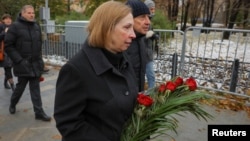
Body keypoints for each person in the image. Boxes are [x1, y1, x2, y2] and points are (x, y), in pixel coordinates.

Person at [54, 1, 138, 141]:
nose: (133, 35)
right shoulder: (75, 69)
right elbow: (68, 124)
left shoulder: (123, 59)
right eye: (127, 27)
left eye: (133, 28)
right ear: (106, 29)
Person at [4, 5, 51, 121]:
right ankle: (13, 103)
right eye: (29, 13)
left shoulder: (36, 25)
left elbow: (39, 45)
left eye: (33, 13)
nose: (32, 15)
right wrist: (19, 60)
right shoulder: (15, 27)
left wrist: (40, 62)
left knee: (35, 89)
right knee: (20, 88)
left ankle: (39, 112)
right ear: (23, 13)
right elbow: (8, 46)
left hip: (35, 64)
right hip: (22, 64)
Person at [125, 0, 151, 92]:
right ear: (129, 19)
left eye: (148, 17)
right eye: (142, 17)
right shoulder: (122, 43)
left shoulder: (140, 40)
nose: (148, 22)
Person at [144, 0, 158, 89]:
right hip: (143, 53)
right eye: (151, 9)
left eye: (154, 9)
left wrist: (153, 35)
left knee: (151, 76)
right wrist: (147, 35)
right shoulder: (142, 19)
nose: (153, 11)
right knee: (149, 75)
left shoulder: (149, 20)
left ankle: (151, 95)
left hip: (148, 53)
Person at [0, 14, 15, 91]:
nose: (8, 20)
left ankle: (5, 82)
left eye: (9, 18)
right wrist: (4, 32)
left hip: (13, 51)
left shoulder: (14, 27)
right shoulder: (1, 27)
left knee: (9, 67)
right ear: (3, 20)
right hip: (4, 52)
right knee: (8, 68)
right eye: (6, 19)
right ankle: (13, 86)